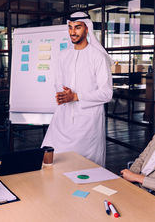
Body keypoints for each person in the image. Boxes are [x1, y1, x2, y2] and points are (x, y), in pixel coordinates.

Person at [41, 12, 113, 166]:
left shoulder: (98, 57)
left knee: (86, 166)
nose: (73, 32)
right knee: (52, 159)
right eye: (70, 27)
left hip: (88, 121)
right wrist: (64, 94)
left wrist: (76, 96)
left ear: (87, 29)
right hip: (63, 117)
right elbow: (58, 82)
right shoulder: (63, 55)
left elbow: (107, 93)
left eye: (78, 27)